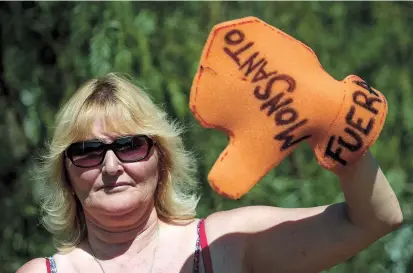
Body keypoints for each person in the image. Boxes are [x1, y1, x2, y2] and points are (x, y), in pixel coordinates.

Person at [18, 73, 403, 273]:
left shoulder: (226, 245)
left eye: (130, 145)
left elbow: (375, 219)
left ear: (161, 160)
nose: (112, 166)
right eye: (87, 152)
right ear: (65, 173)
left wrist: (339, 131)